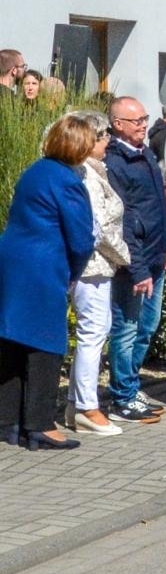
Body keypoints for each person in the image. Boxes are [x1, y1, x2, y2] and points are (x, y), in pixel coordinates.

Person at [0, 115, 96, 449]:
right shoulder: (67, 181)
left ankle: (7, 420)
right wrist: (74, 272)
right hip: (43, 265)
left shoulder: (35, 170)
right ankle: (40, 425)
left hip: (13, 260)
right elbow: (82, 239)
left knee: (12, 340)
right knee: (45, 343)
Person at [103, 97, 166, 425]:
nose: (144, 125)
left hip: (158, 256)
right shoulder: (115, 161)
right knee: (127, 328)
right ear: (117, 124)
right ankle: (122, 396)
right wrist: (138, 269)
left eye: (145, 118)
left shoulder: (144, 152)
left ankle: (131, 385)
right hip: (136, 264)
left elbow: (161, 203)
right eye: (136, 121)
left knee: (147, 325)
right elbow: (125, 221)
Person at [68, 111, 130, 436]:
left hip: (98, 265)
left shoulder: (95, 170)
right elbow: (100, 227)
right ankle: (86, 408)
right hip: (92, 265)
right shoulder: (87, 177)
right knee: (93, 334)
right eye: (103, 136)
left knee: (96, 331)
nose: (108, 142)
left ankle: (77, 403)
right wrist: (125, 255)